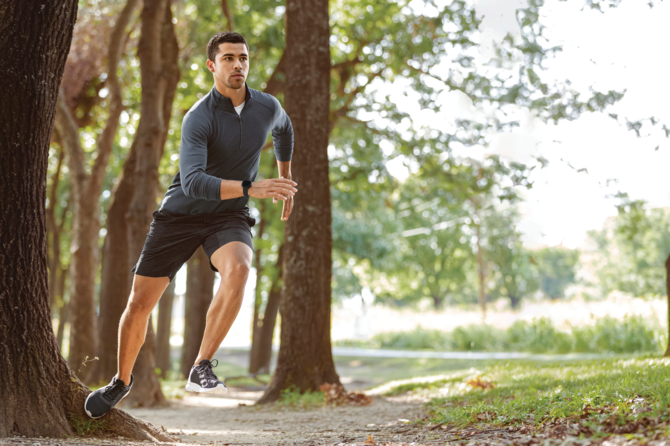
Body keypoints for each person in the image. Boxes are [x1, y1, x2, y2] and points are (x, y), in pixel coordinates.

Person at [85, 31, 298, 419]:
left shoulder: (266, 106)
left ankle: (201, 366)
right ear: (212, 65)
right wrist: (255, 186)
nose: (238, 65)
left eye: (243, 58)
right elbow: (195, 181)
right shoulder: (198, 117)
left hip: (228, 213)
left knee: (240, 269)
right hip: (180, 215)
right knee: (139, 304)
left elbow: (284, 130)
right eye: (229, 58)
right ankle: (121, 381)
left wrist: (285, 181)